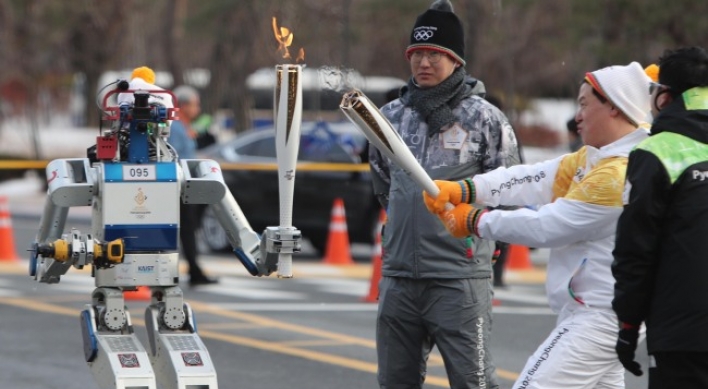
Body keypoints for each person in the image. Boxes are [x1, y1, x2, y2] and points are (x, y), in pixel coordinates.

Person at [423, 62, 652, 388]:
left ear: (615, 107)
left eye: (585, 104)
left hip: (599, 316)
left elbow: (549, 226)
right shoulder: (594, 157)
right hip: (601, 311)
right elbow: (534, 177)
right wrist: (468, 189)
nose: (578, 116)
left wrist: (475, 220)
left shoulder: (619, 172)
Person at [368, 1, 521, 387]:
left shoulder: (484, 119)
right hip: (400, 278)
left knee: (475, 383)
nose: (424, 61)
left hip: (459, 280)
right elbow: (383, 184)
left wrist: (472, 237)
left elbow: (508, 187)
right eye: (417, 53)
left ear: (456, 60)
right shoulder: (390, 117)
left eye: (435, 53)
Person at [611, 46, 708, 388]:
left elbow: (635, 248)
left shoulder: (658, 151)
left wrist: (627, 323)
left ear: (665, 98)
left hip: (683, 331)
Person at [168, 85, 218, 287]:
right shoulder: (175, 128)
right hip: (180, 186)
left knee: (188, 228)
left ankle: (194, 269)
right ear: (183, 105)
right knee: (186, 228)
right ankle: (193, 270)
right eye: (195, 104)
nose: (198, 109)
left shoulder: (185, 128)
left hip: (188, 185)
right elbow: (174, 156)